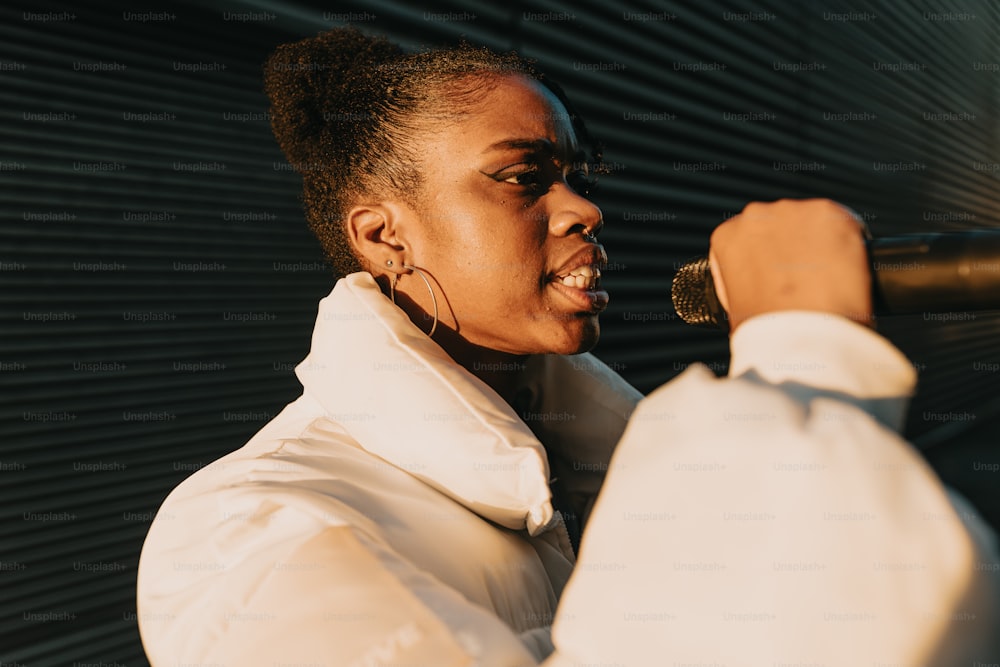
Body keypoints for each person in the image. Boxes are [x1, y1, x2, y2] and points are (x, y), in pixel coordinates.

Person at [136, 26, 999, 666]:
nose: (584, 209)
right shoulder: (254, 531)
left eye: (579, 175)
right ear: (383, 235)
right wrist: (802, 362)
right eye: (522, 176)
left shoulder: (594, 466)